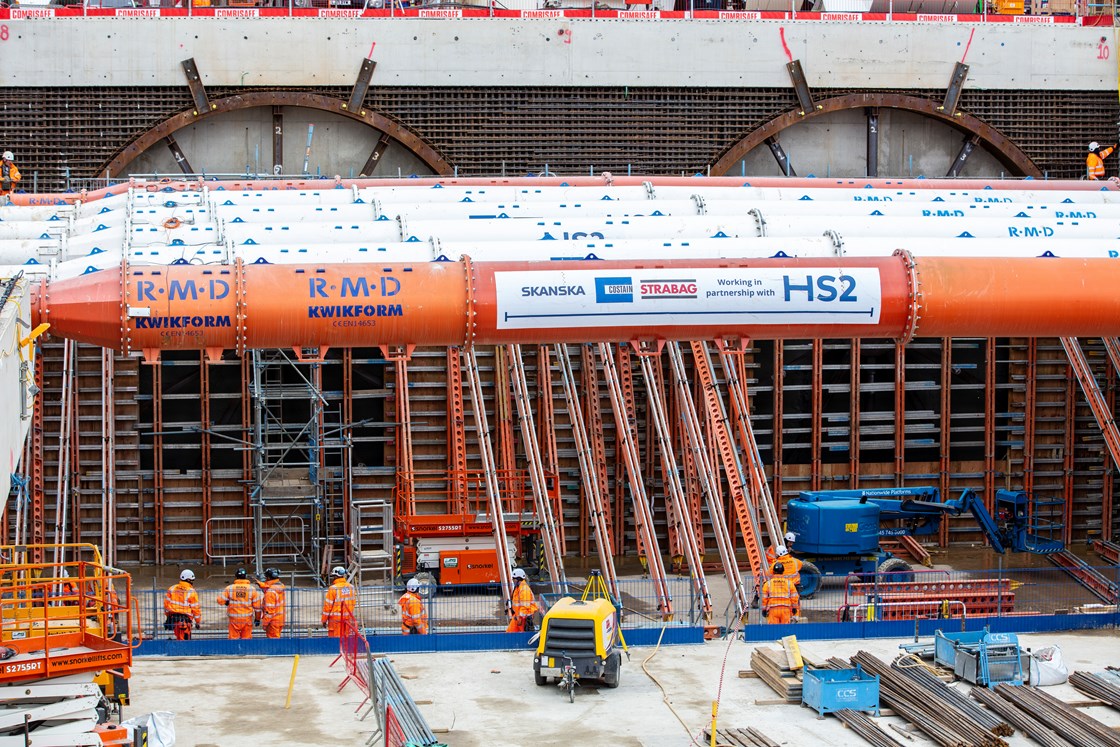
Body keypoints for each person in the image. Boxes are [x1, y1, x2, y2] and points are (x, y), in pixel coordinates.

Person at [217, 568, 262, 640]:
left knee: (233, 639)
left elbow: (220, 601)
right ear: (245, 577)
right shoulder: (252, 589)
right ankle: (246, 650)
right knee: (246, 639)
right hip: (247, 619)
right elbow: (257, 608)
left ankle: (234, 650)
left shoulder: (230, 588)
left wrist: (226, 602)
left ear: (236, 576)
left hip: (234, 619)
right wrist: (257, 619)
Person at [164, 569, 201, 641]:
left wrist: (168, 616)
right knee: (185, 642)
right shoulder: (191, 592)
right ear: (188, 580)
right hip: (185, 622)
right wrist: (198, 622)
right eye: (192, 580)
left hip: (173, 620)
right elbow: (196, 609)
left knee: (177, 639)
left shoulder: (172, 588)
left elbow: (166, 604)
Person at [321, 565, 356, 637]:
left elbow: (327, 606)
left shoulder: (333, 588)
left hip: (335, 621)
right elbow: (353, 603)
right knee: (346, 641)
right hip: (348, 619)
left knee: (335, 642)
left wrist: (324, 620)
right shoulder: (351, 587)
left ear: (336, 576)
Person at [505, 568, 538, 633]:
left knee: (514, 634)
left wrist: (520, 618)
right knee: (511, 633)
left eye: (514, 579)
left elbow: (525, 606)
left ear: (518, 579)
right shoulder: (519, 588)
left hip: (523, 618)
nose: (513, 581)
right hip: (519, 616)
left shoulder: (524, 589)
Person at [257, 568, 286, 639]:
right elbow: (269, 586)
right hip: (280, 619)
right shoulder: (280, 586)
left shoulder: (270, 593)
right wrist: (261, 584)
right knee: (277, 639)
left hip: (272, 622)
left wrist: (265, 624)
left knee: (273, 644)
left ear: (268, 577)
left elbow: (269, 612)